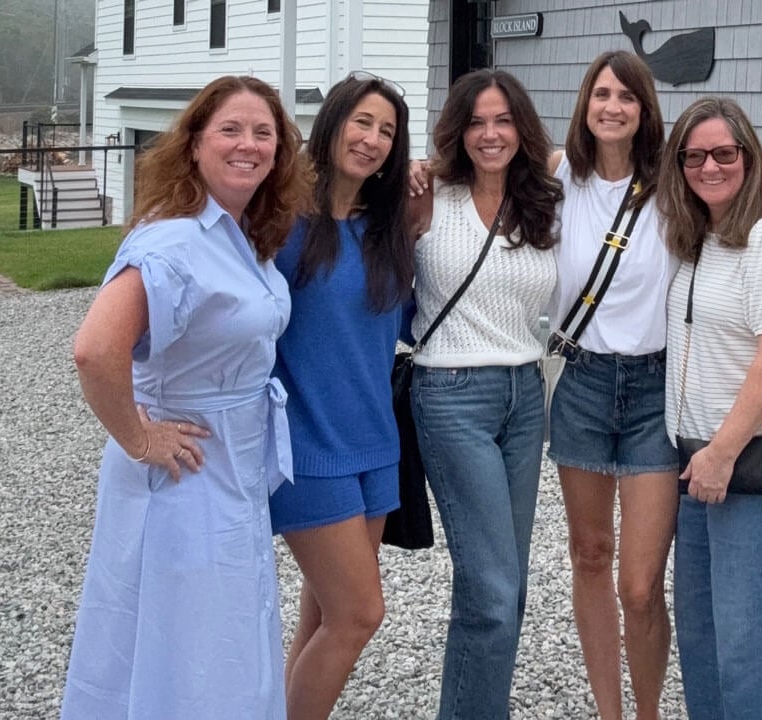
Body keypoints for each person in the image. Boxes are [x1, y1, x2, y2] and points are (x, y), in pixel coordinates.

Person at [61, 75, 308, 719]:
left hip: (235, 462)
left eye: (263, 133)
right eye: (230, 129)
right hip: (184, 469)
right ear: (194, 142)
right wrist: (140, 436)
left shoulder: (243, 235)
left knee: (226, 623)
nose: (248, 145)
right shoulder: (172, 241)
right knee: (182, 632)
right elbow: (94, 349)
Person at [658, 95, 762, 720]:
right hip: (699, 458)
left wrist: (723, 453)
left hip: (754, 461)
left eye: (724, 153)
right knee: (702, 634)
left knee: (750, 644)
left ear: (749, 158)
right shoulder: (699, 234)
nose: (709, 167)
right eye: (693, 156)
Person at [409, 68, 562, 720]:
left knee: (508, 587)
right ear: (457, 130)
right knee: (492, 590)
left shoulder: (546, 199)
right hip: (450, 394)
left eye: (503, 120)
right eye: (476, 122)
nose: (490, 134)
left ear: (521, 128)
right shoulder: (427, 195)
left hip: (526, 397)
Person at [267, 72, 412, 720]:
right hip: (305, 449)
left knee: (326, 612)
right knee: (360, 614)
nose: (372, 139)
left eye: (386, 130)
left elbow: (402, 324)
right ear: (332, 125)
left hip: (375, 445)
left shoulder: (386, 230)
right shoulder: (279, 225)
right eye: (362, 122)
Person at [543, 50, 678, 720]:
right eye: (601, 94)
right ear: (584, 103)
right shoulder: (557, 174)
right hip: (584, 381)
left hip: (657, 388)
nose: (613, 107)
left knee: (641, 582)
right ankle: (609, 711)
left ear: (644, 108)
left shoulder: (672, 183)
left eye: (627, 96)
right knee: (590, 555)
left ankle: (647, 710)